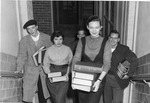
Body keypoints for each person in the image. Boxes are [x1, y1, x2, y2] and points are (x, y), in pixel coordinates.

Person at [71, 15, 112, 103]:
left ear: (101, 27)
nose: (94, 30)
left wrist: (99, 81)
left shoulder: (106, 42)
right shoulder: (82, 41)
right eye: (91, 27)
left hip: (98, 79)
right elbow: (76, 59)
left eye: (97, 27)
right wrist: (73, 79)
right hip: (82, 78)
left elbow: (107, 64)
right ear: (87, 27)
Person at [16, 19, 52, 103]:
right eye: (28, 29)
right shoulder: (24, 40)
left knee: (43, 95)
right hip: (30, 71)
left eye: (32, 28)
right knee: (27, 96)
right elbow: (21, 56)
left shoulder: (47, 38)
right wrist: (18, 69)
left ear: (37, 27)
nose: (31, 31)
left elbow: (51, 53)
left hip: (43, 71)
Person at [104, 30, 138, 103]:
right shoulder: (104, 48)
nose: (113, 40)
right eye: (111, 37)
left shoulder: (124, 49)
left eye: (115, 38)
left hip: (118, 80)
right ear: (108, 38)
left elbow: (134, 60)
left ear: (118, 39)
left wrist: (129, 74)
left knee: (117, 101)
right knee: (107, 101)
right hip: (106, 78)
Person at [43, 31, 73, 103]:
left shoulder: (67, 49)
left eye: (60, 39)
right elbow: (46, 64)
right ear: (53, 40)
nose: (58, 41)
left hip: (64, 75)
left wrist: (67, 74)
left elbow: (71, 63)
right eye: (56, 39)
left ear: (63, 39)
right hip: (52, 74)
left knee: (59, 98)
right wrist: (49, 75)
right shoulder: (49, 50)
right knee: (56, 99)